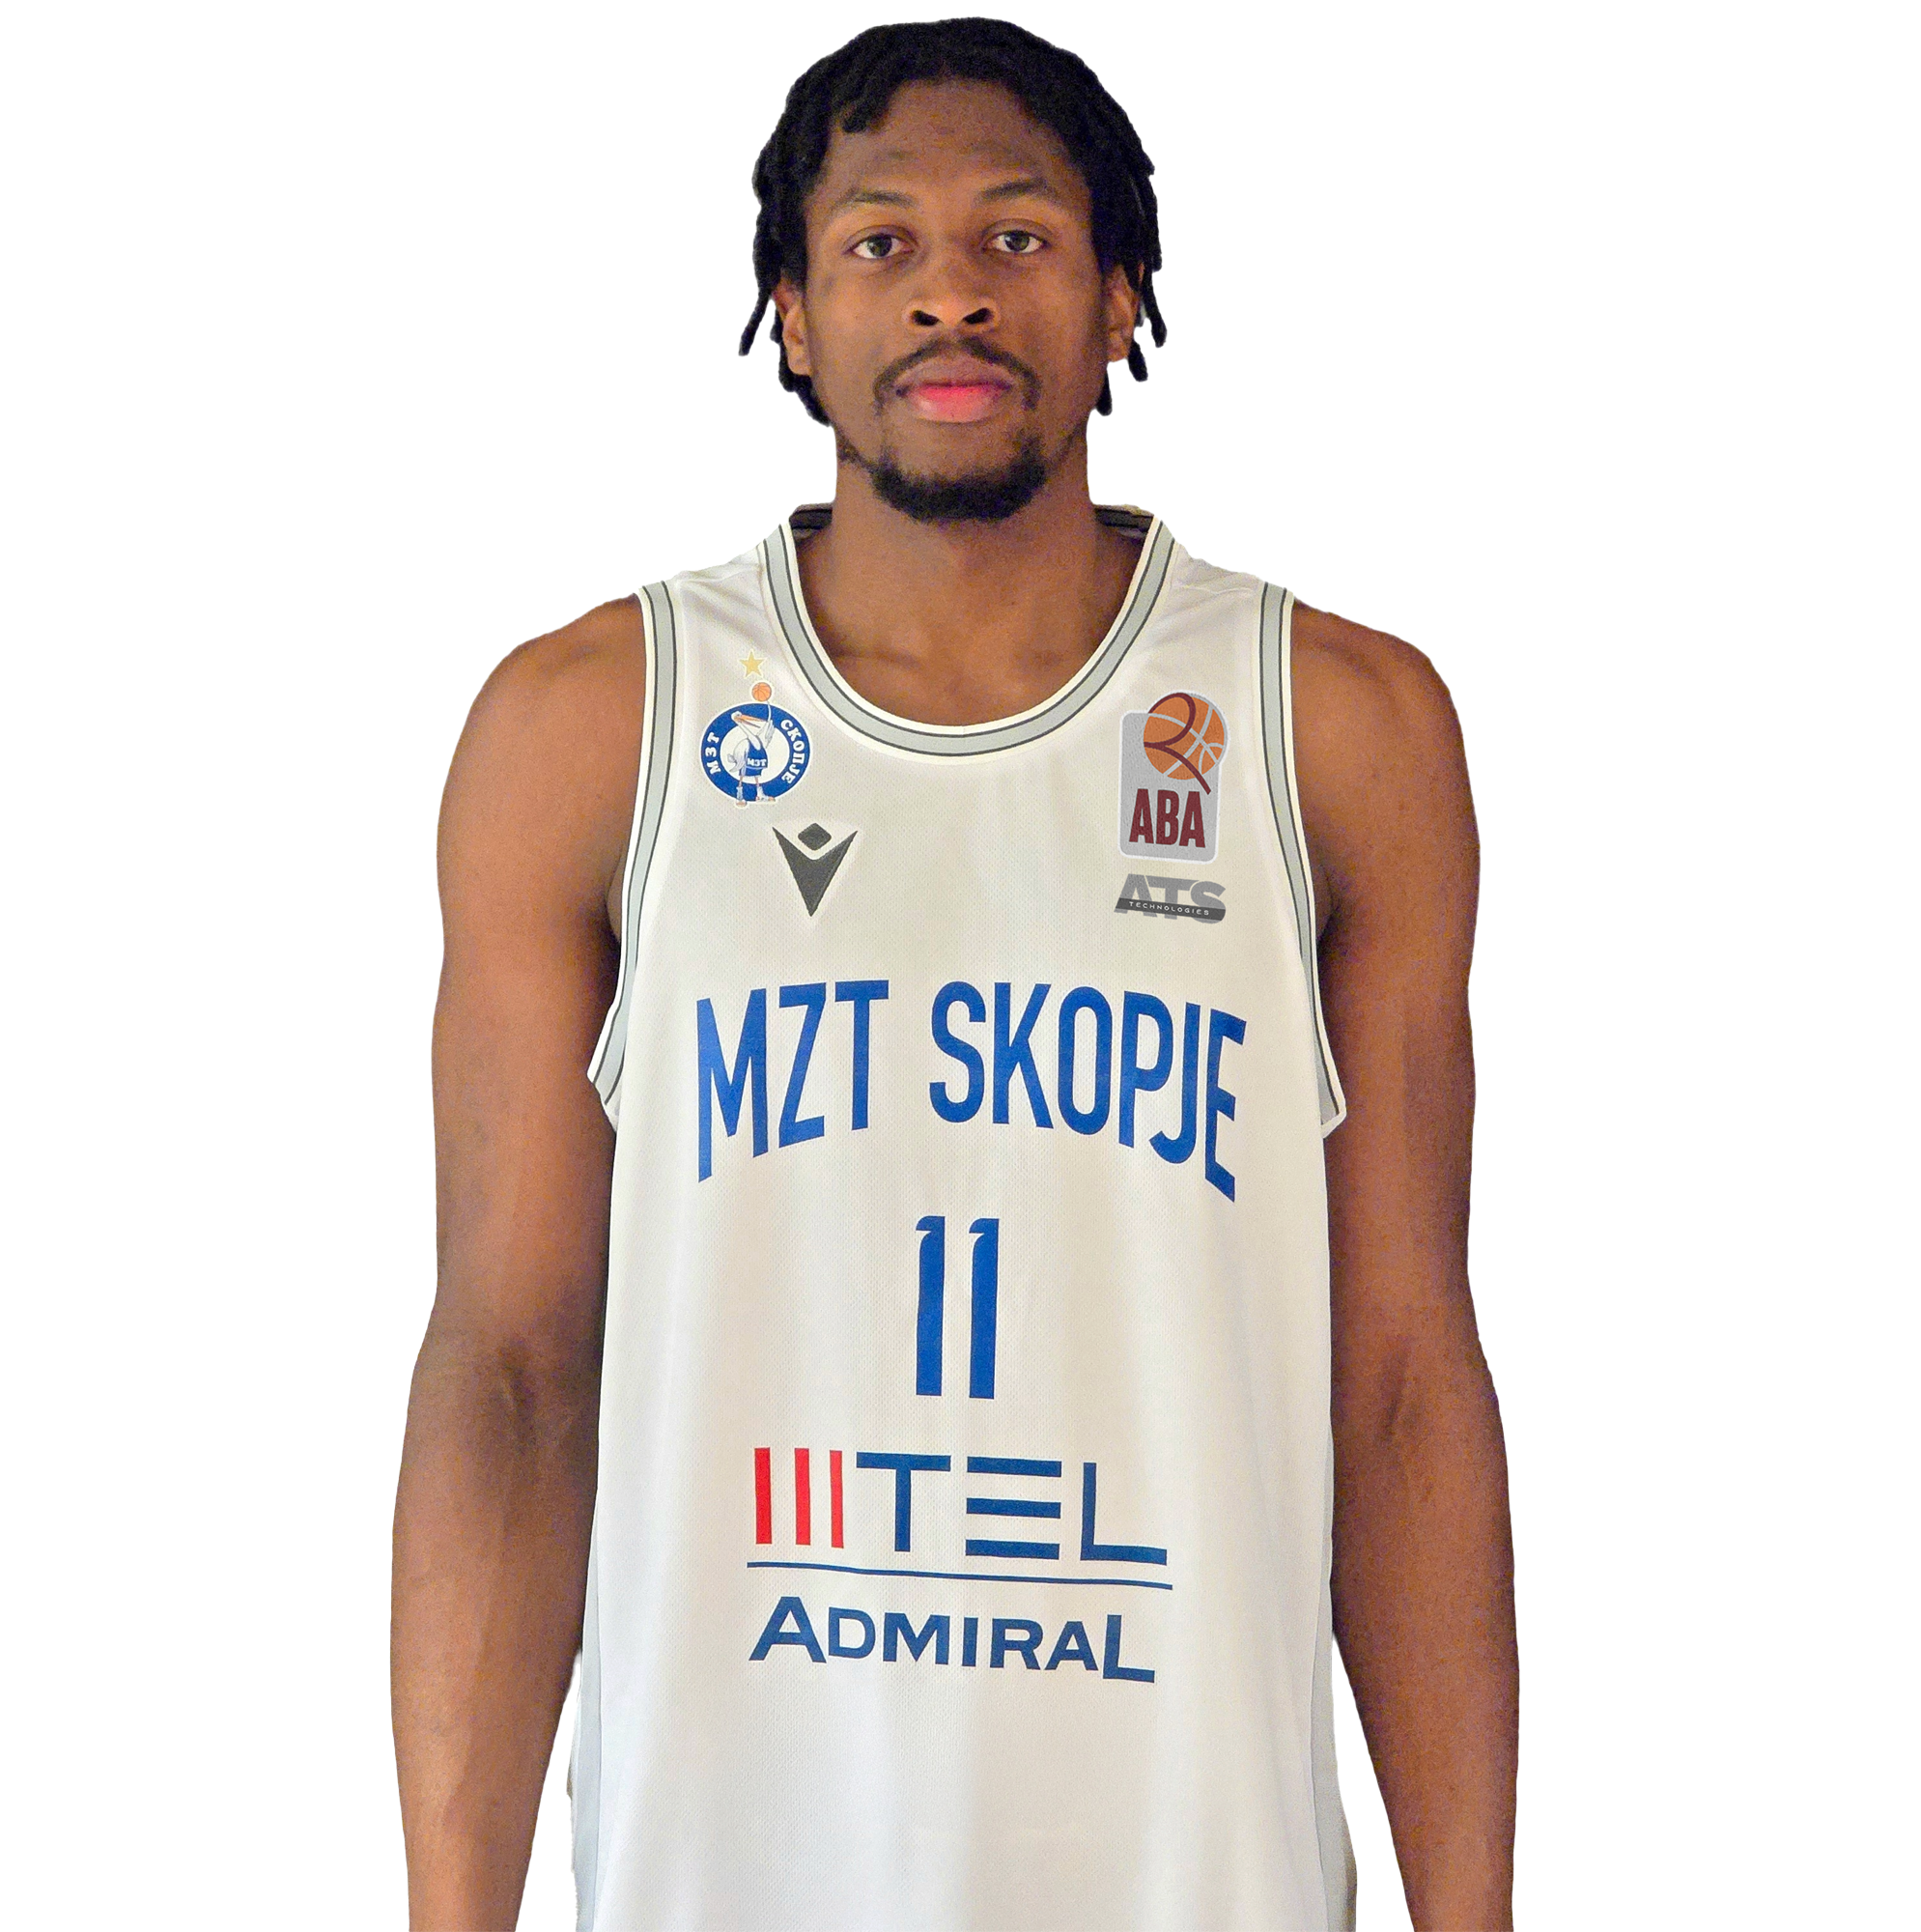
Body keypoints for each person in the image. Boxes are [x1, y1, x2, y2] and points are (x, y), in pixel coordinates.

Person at [390, 16, 1516, 1931]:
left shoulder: (1330, 725)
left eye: (1016, 237)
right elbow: (511, 1371)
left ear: (1119, 296)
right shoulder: (593, 726)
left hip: (1193, 1877)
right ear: (792, 313)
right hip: (712, 1876)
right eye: (879, 243)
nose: (949, 296)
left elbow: (1402, 1381)